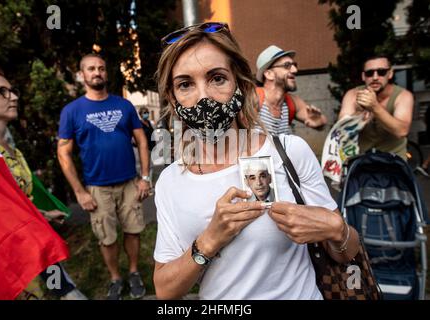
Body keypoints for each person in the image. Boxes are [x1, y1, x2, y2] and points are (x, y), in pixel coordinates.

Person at [153, 22, 360, 300]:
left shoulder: (291, 152)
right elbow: (165, 291)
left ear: (239, 83)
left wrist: (335, 229)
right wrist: (208, 241)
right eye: (185, 84)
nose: (203, 97)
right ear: (172, 97)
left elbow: (348, 251)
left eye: (217, 78)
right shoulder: (170, 182)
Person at [0, 63, 85, 300]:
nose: (14, 96)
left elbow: (11, 206)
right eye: (1, 92)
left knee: (68, 293)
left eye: (13, 90)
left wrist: (43, 215)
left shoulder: (12, 151)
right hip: (8, 258)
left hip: (33, 247)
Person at [57, 54, 150, 300]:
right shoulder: (72, 111)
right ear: (82, 75)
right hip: (97, 188)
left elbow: (141, 140)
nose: (97, 72)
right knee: (106, 238)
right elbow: (63, 153)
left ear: (106, 73)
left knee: (133, 230)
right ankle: (115, 278)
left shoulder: (124, 105)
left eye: (101, 68)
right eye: (91, 69)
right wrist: (79, 191)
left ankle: (132, 272)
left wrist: (145, 177)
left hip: (130, 182)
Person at [338, 55, 414, 160]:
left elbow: (401, 131)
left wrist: (374, 107)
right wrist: (358, 114)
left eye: (381, 72)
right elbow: (341, 130)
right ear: (363, 76)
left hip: (394, 162)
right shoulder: (352, 95)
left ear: (390, 74)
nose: (375, 77)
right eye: (369, 73)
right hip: (362, 162)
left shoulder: (403, 96)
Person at [255, 45, 327, 135]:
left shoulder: (292, 103)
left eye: (294, 65)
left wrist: (319, 122)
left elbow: (322, 121)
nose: (295, 70)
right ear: (269, 74)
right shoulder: (253, 98)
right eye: (287, 65)